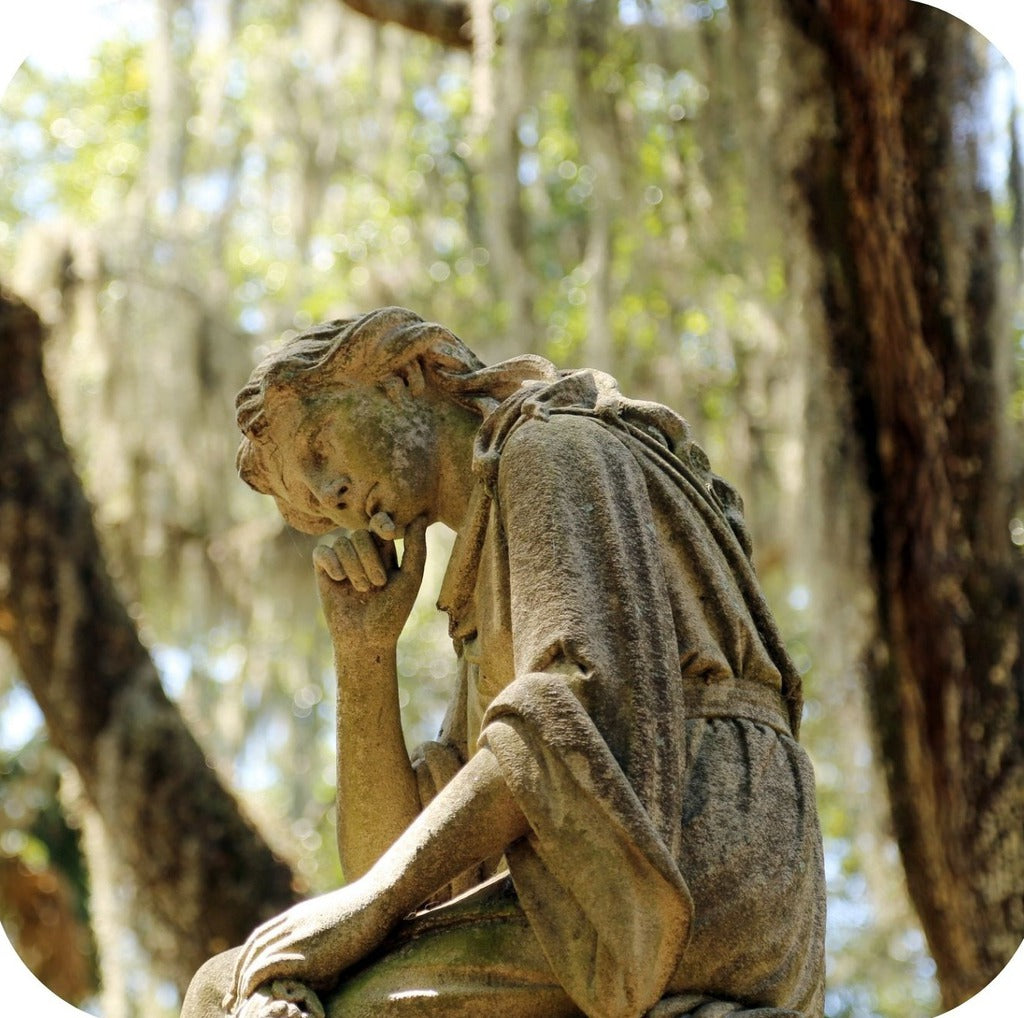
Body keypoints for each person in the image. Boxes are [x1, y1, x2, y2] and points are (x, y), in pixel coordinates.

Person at [182, 307, 826, 1018]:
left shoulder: (553, 446)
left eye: (320, 446)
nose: (331, 493)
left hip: (698, 854)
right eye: (311, 499)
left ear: (403, 376)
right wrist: (364, 655)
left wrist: (368, 904)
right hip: (605, 868)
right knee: (220, 985)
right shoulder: (481, 586)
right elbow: (389, 863)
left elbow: (570, 712)